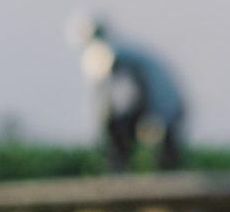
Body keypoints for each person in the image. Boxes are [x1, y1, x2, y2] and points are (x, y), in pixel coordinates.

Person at [69, 13, 188, 171]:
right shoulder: (128, 50)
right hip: (162, 104)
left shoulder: (108, 52)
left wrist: (156, 115)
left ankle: (124, 170)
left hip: (162, 105)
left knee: (163, 153)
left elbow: (100, 92)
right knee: (129, 133)